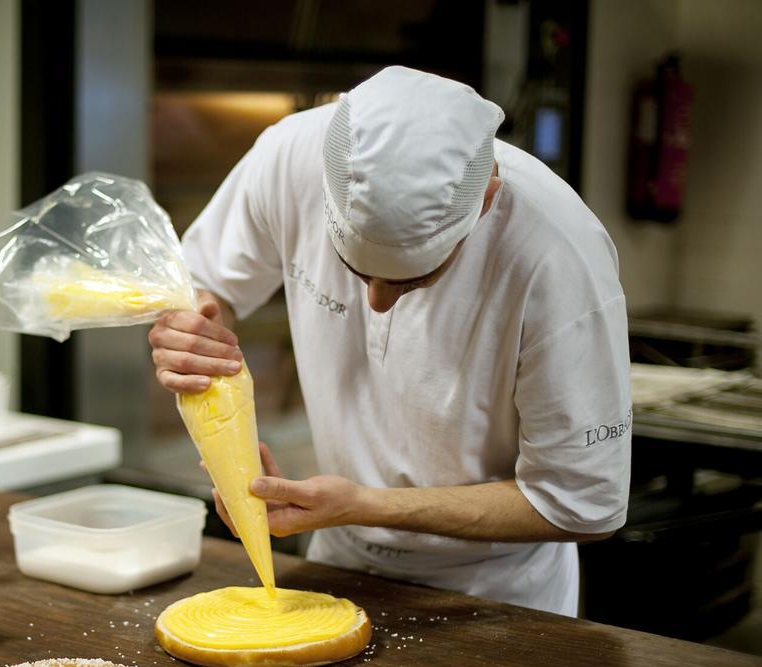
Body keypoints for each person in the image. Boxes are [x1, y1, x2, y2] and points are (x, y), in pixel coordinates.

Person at [148, 66, 631, 616]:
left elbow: (581, 505)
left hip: (499, 593)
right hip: (337, 561)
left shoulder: (559, 255)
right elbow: (202, 285)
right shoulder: (290, 156)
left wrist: (364, 505)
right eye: (355, 272)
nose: (376, 301)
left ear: (487, 199)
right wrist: (191, 334)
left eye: (412, 279)